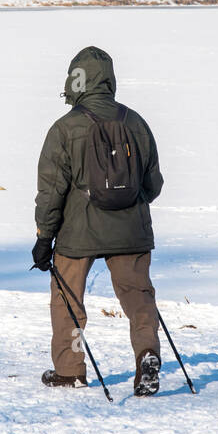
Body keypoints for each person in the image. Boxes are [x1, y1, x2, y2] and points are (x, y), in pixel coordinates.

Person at [32, 46, 165, 397]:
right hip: (132, 231)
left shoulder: (64, 129)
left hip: (78, 233)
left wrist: (45, 236)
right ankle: (147, 354)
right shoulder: (136, 122)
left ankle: (70, 370)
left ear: (76, 80)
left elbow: (51, 192)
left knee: (68, 300)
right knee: (139, 297)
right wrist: (128, 208)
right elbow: (154, 184)